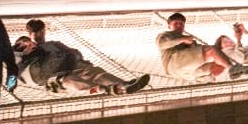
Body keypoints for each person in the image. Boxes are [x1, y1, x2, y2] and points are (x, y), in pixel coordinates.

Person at [13, 35, 149, 95]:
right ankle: (105, 88)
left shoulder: (48, 46)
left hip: (63, 68)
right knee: (66, 78)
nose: (30, 44)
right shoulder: (18, 55)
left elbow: (71, 53)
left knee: (92, 72)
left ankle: (121, 86)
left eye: (29, 42)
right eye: (25, 43)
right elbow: (13, 73)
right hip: (39, 72)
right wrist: (22, 53)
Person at [156, 12, 242, 82]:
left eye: (181, 24)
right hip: (173, 63)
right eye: (176, 23)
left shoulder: (190, 41)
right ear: (169, 26)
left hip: (186, 73)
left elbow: (205, 53)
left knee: (220, 63)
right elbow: (162, 44)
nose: (179, 25)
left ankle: (206, 77)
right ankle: (233, 69)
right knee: (211, 50)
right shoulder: (166, 35)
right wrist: (182, 39)